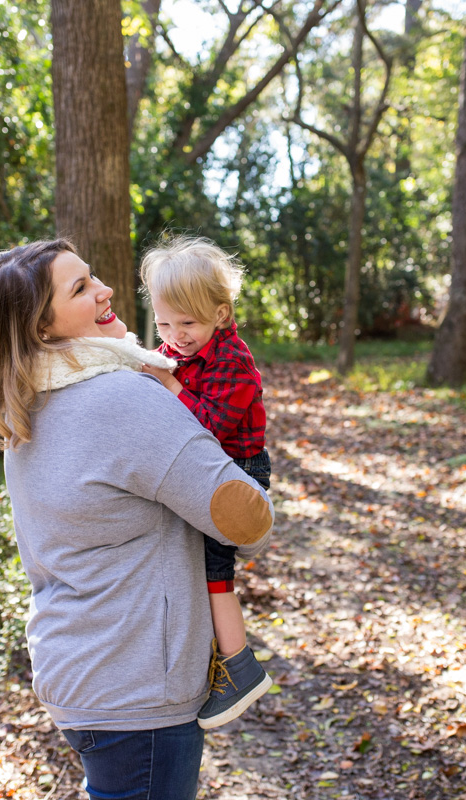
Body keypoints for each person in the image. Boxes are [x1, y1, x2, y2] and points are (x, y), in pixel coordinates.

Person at [0, 238, 274, 800]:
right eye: (80, 288)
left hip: (78, 668)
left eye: (92, 276)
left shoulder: (26, 404)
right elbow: (245, 521)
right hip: (138, 683)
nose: (104, 289)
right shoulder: (124, 396)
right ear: (43, 329)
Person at [138, 235, 274, 729]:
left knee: (216, 573)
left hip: (234, 474)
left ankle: (239, 666)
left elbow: (208, 425)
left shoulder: (234, 362)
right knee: (187, 566)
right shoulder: (180, 348)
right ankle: (204, 653)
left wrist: (168, 383)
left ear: (220, 313)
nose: (174, 336)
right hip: (198, 469)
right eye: (163, 323)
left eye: (187, 323)